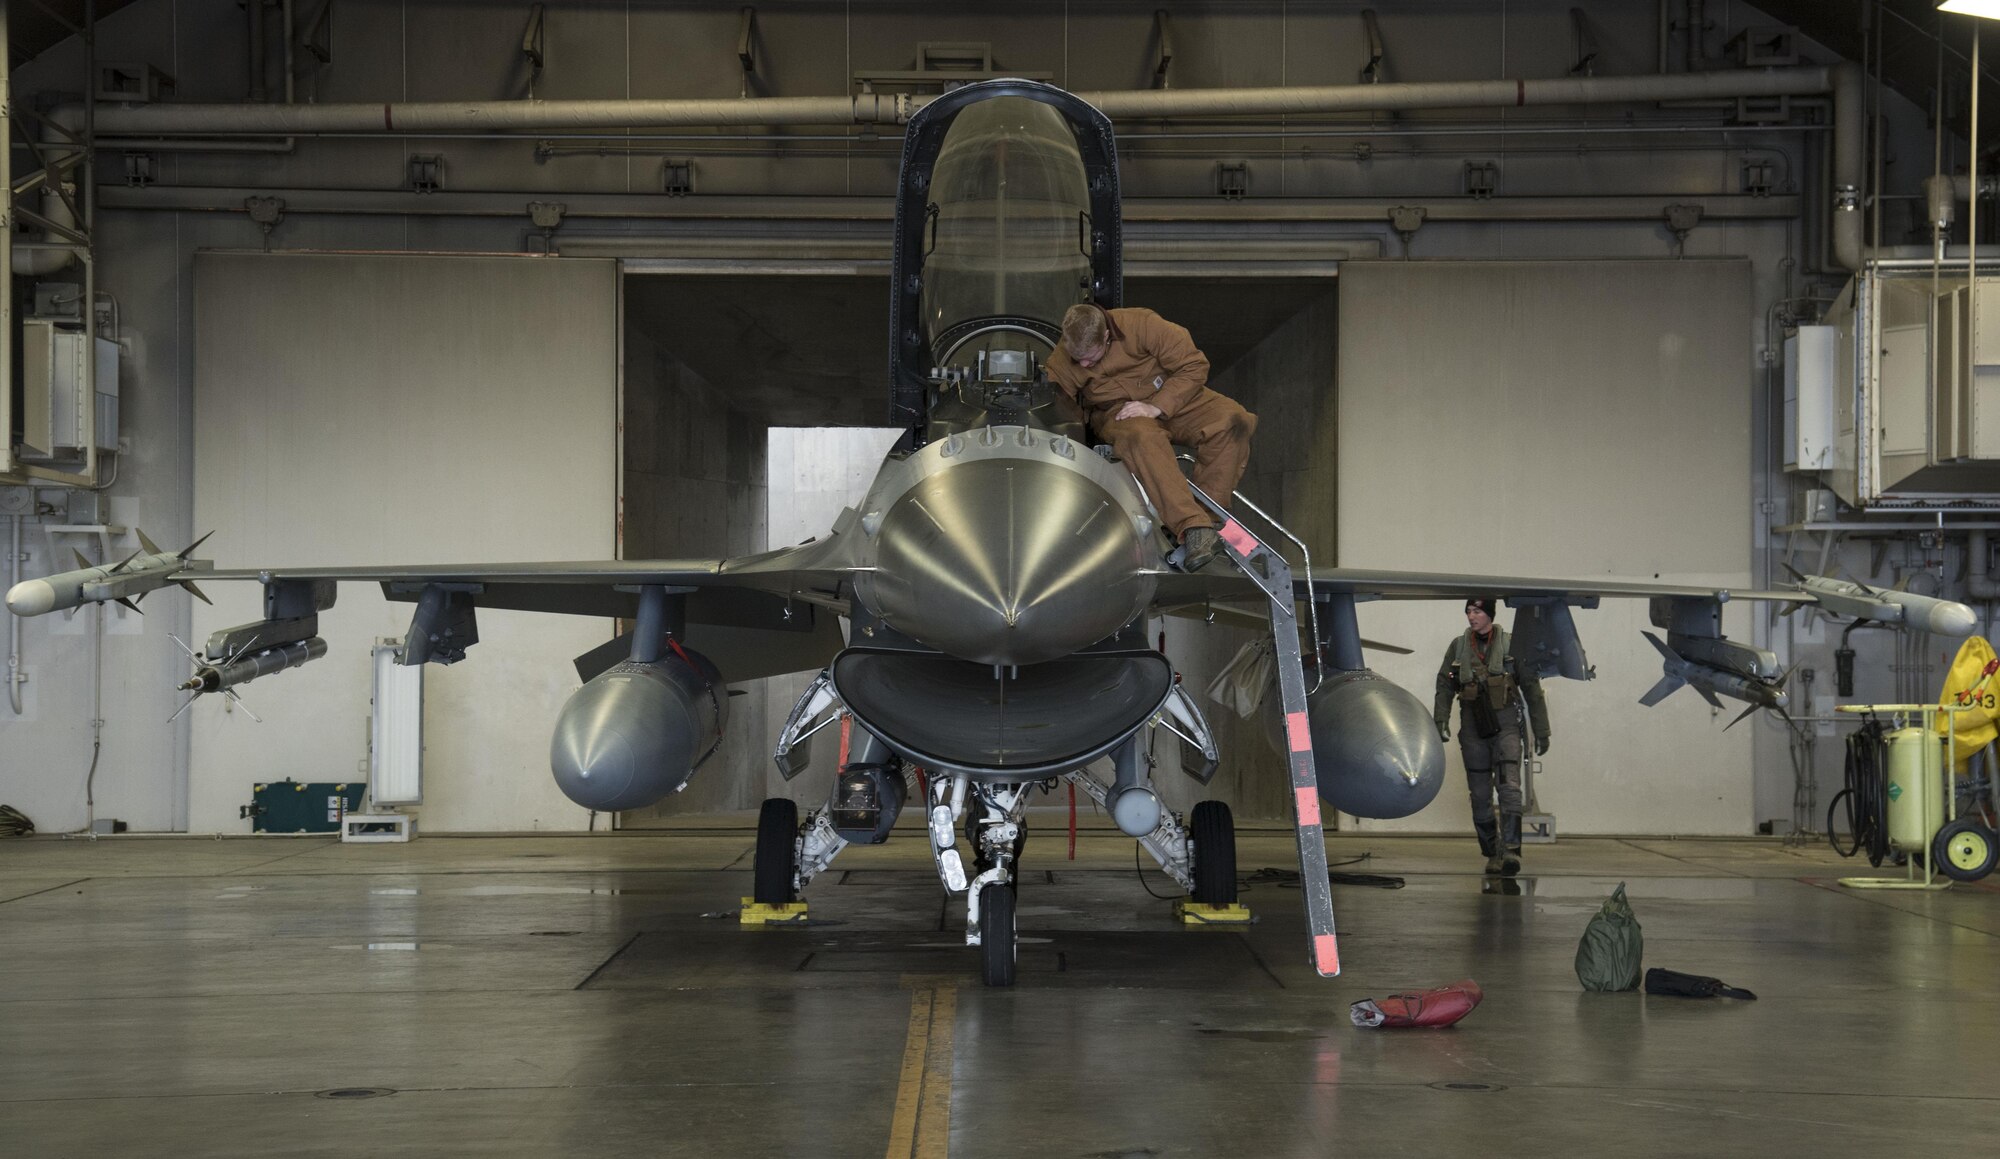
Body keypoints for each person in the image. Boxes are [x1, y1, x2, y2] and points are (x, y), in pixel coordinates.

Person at [1044, 303, 1257, 570]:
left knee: (1233, 420)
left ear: (1106, 337)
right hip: (1118, 412)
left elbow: (1193, 365)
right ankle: (1192, 526)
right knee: (1142, 438)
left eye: (1090, 357)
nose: (1083, 364)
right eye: (1078, 359)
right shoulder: (1065, 356)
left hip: (1172, 396)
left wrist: (1157, 405)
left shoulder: (1143, 325)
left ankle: (1208, 521)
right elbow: (1054, 402)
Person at [1433, 597, 1550, 876]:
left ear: (1489, 614)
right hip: (1473, 727)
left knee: (1510, 789)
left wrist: (1542, 731)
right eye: (1469, 611)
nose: (1472, 617)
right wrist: (1440, 719)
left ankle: (1510, 851)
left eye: (1477, 611)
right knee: (1480, 795)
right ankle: (1491, 852)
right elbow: (1444, 684)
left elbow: (1532, 689)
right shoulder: (1459, 647)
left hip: (1506, 724)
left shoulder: (1512, 646)